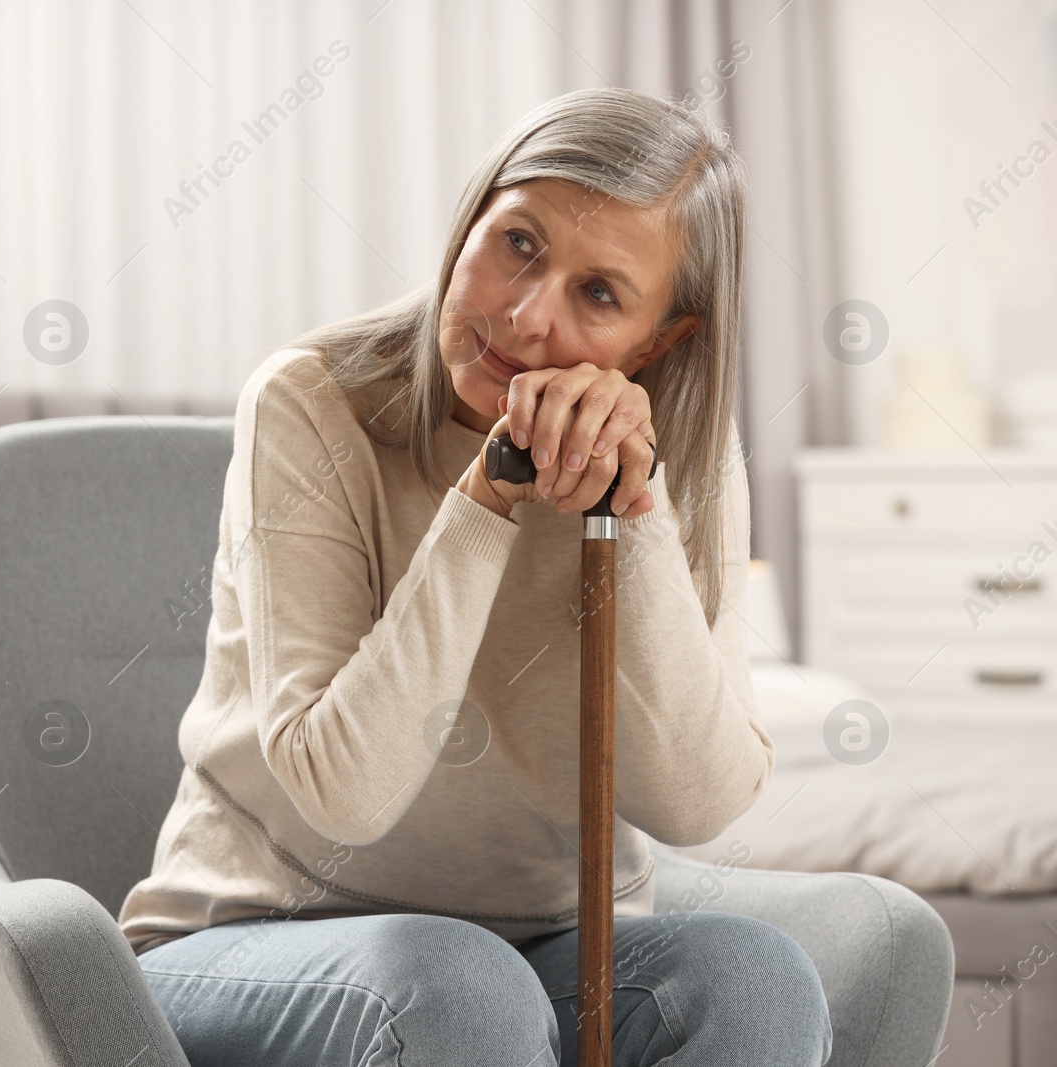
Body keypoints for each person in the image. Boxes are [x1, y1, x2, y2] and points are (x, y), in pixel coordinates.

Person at [116, 87, 950, 1066]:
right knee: (455, 984)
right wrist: (489, 499)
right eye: (517, 242)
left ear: (658, 341)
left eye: (598, 294)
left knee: (751, 975)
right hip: (251, 943)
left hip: (541, 945)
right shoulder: (313, 402)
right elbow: (343, 795)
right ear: (470, 215)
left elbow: (698, 802)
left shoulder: (680, 448)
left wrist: (631, 515)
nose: (522, 314)